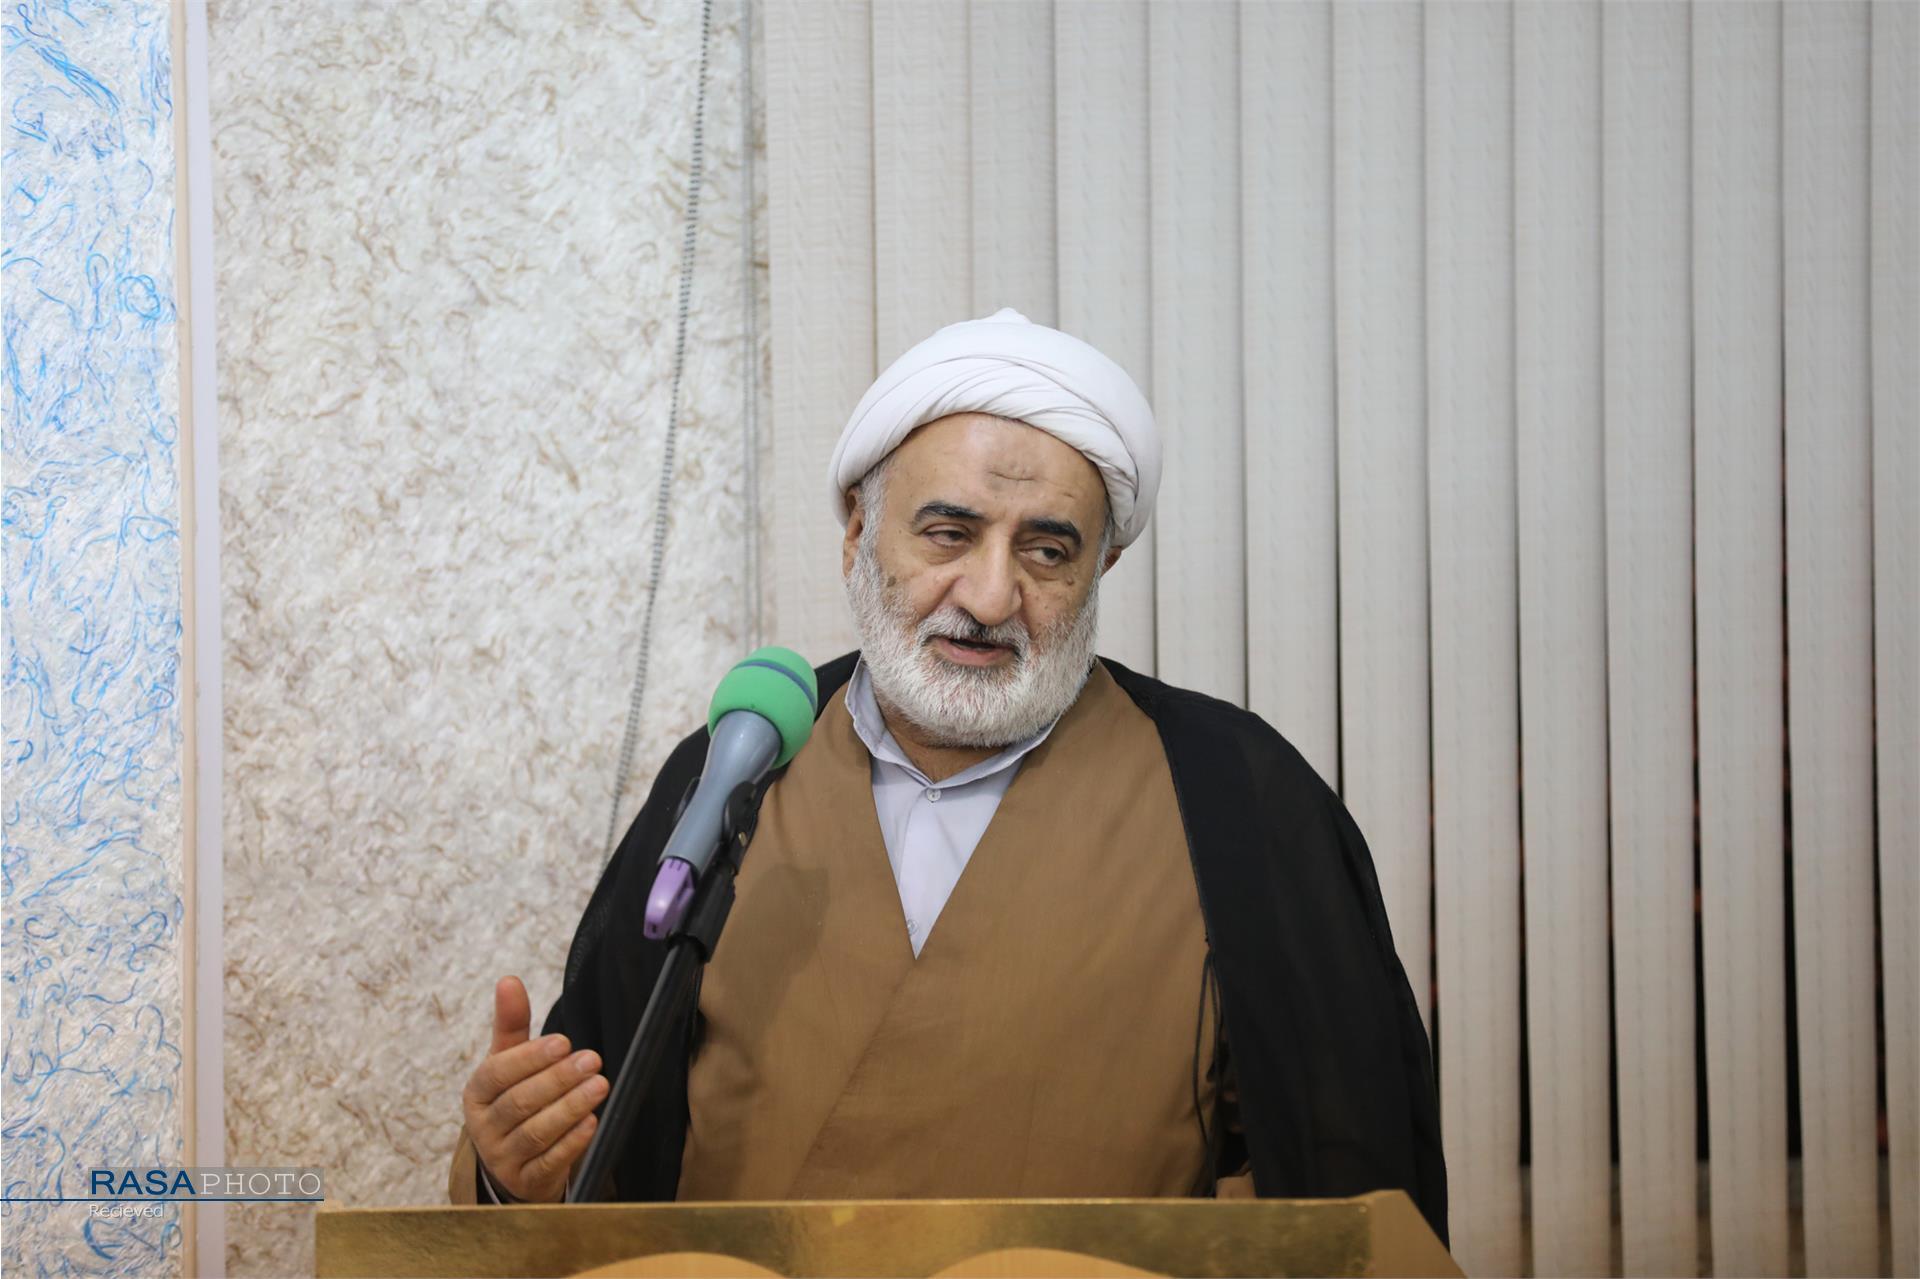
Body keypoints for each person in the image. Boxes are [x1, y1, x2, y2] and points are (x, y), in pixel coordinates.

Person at [447, 309, 1447, 1242]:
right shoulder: (743, 765)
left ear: (1099, 569)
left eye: (1046, 550)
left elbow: (1341, 1192)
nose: (991, 593)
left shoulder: (1239, 795)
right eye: (949, 533)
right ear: (857, 530)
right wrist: (514, 1175)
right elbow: (599, 1154)